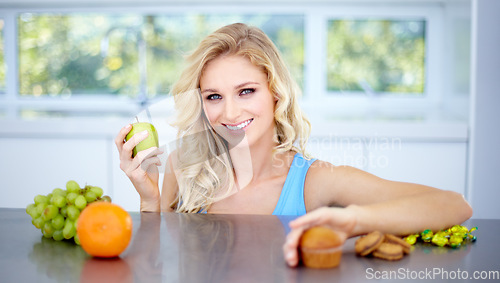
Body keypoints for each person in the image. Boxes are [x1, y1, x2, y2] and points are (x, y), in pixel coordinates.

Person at [115, 23, 472, 267]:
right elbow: (158, 265)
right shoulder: (186, 167)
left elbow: (454, 205)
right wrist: (149, 199)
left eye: (246, 91)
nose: (229, 112)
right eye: (213, 96)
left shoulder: (317, 181)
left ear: (275, 92)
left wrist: (353, 220)